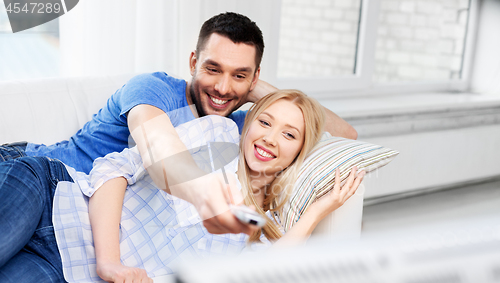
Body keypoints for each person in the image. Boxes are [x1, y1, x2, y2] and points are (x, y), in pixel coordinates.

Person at [0, 90, 364, 283]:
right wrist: (110, 261)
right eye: (266, 122)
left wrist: (319, 210)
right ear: (250, 124)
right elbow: (114, 170)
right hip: (48, 194)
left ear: (300, 150)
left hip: (61, 268)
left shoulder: (257, 226)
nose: (269, 138)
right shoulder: (217, 135)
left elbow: (269, 269)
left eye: (289, 134)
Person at [0, 12, 358, 237]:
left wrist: (262, 94)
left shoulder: (243, 127)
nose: (222, 87)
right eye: (213, 68)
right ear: (192, 61)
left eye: (239, 75)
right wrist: (209, 199)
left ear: (255, 77)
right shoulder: (153, 89)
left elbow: (344, 134)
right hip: (32, 169)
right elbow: (159, 148)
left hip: (72, 214)